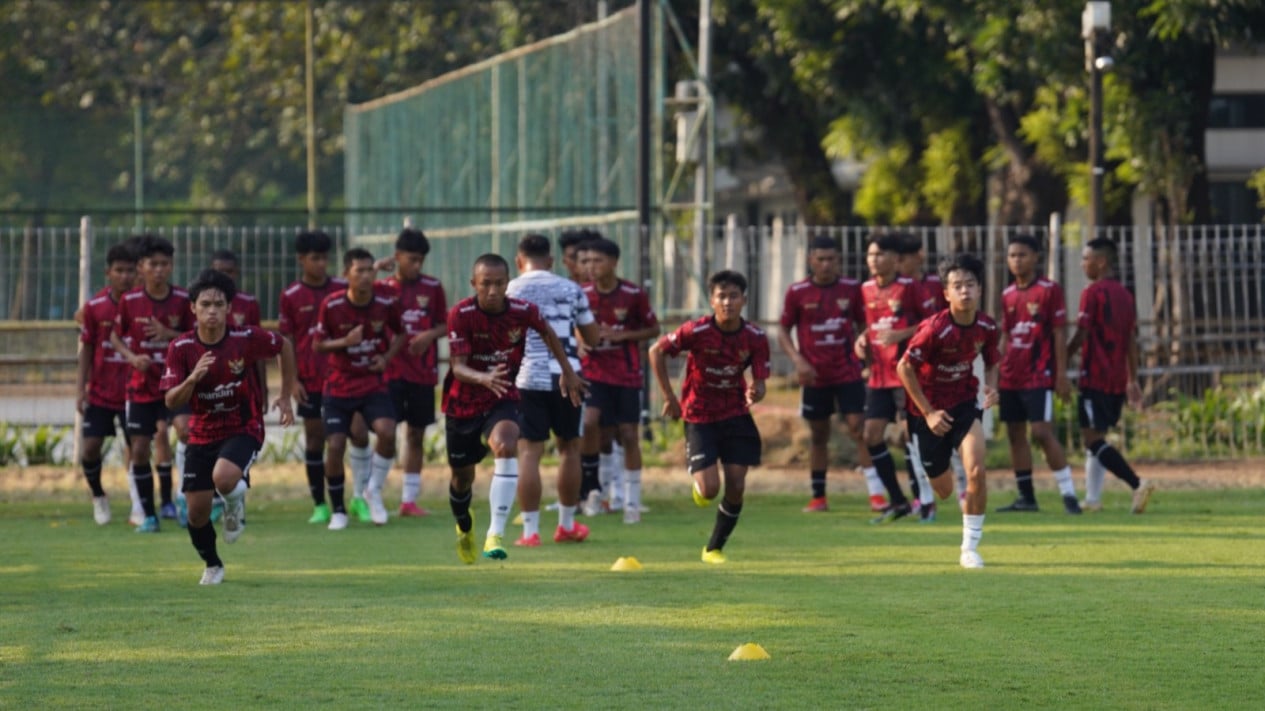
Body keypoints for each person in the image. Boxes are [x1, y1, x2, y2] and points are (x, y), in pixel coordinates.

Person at [442, 253, 584, 564]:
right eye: (486, 284)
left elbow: (548, 333)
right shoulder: (461, 314)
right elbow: (459, 367)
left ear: (508, 282)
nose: (493, 290)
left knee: (507, 446)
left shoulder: (522, 310)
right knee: (461, 480)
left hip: (502, 397)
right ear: (474, 284)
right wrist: (484, 377)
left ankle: (495, 533)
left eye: (499, 283)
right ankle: (465, 527)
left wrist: (568, 372)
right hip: (462, 405)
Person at [161, 269, 297, 585]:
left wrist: (286, 396)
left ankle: (234, 501)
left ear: (229, 308)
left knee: (223, 478)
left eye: (219, 304)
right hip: (202, 432)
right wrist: (193, 378)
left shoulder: (244, 339)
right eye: (205, 304)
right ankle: (212, 564)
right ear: (192, 308)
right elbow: (170, 400)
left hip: (242, 425)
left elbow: (284, 346)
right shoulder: (181, 348)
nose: (212, 311)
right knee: (196, 513)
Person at [649, 270, 770, 564]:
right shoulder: (697, 331)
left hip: (735, 414)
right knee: (709, 490)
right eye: (721, 296)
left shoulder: (755, 337)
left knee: (737, 485)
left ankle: (713, 548)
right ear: (712, 300)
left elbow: (761, 381)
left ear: (744, 300)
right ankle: (701, 482)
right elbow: (656, 351)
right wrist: (669, 397)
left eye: (733, 296)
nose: (727, 302)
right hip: (699, 414)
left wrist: (757, 390)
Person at [896, 253, 1001, 569]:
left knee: (977, 471)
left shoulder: (986, 326)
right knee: (943, 491)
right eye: (957, 286)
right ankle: (942, 475)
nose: (965, 291)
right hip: (927, 413)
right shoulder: (934, 329)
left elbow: (993, 360)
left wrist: (990, 386)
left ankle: (969, 548)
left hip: (965, 403)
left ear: (980, 289)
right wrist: (928, 412)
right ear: (946, 293)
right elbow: (904, 368)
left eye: (970, 284)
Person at [506, 234, 599, 546]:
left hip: (526, 376)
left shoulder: (509, 289)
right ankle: (567, 526)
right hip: (566, 375)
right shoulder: (571, 288)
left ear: (520, 261)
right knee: (569, 448)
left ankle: (530, 532)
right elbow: (593, 337)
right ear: (551, 261)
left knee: (530, 451)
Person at [777, 235, 877, 513]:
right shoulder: (797, 292)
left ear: (838, 261)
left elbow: (864, 324)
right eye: (820, 259)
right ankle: (818, 496)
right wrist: (798, 361)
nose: (826, 264)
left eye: (831, 259)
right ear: (811, 261)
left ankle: (876, 494)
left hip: (848, 371)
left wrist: (865, 353)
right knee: (819, 434)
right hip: (814, 376)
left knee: (861, 428)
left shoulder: (851, 288)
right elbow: (783, 330)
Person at [278, 231, 370, 524]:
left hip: (345, 377)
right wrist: (292, 381)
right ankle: (320, 504)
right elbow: (286, 340)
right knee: (317, 439)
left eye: (324, 258)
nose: (320, 264)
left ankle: (360, 498)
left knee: (357, 433)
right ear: (301, 260)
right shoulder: (291, 295)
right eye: (314, 259)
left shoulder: (343, 287)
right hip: (310, 379)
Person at [312, 248, 407, 530]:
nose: (366, 276)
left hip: (372, 383)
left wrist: (386, 358)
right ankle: (338, 509)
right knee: (336, 445)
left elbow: (401, 333)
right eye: (360, 271)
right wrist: (344, 342)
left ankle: (372, 491)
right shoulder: (331, 305)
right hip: (339, 386)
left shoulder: (385, 304)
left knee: (388, 432)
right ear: (346, 275)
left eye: (370, 270)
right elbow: (318, 344)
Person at [109, 235, 193, 532]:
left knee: (187, 431)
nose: (159, 269)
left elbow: (195, 339)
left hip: (175, 384)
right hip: (141, 386)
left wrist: (170, 333)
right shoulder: (130, 301)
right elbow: (114, 337)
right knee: (140, 449)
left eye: (165, 264)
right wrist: (132, 357)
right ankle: (148, 514)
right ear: (141, 267)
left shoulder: (183, 299)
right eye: (153, 264)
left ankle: (184, 498)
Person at [1067, 238, 1154, 513]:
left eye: (1086, 258)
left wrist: (1060, 361)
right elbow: (1130, 339)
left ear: (1101, 261)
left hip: (1094, 376)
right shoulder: (1126, 295)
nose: (1083, 264)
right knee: (1097, 438)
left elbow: (1081, 333)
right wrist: (1132, 378)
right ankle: (1093, 500)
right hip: (1116, 378)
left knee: (1091, 439)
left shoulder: (1092, 293)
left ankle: (1137, 483)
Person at [995, 235, 1081, 514]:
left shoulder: (1048, 290)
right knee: (1015, 434)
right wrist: (996, 371)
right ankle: (1026, 497)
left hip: (1039, 374)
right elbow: (1006, 335)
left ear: (1035, 258)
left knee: (1042, 432)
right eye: (1012, 255)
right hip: (1011, 375)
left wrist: (1061, 374)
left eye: (1022, 254)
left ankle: (1069, 495)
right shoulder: (1007, 294)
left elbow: (1058, 333)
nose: (1016, 260)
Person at [578, 237, 660, 522]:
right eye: (586, 261)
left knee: (627, 435)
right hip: (592, 371)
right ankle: (593, 490)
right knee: (590, 423)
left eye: (597, 260)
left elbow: (653, 328)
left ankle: (632, 503)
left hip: (625, 373)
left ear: (613, 262)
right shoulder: (581, 293)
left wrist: (622, 335)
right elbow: (572, 326)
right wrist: (581, 340)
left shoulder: (632, 294)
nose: (590, 266)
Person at [854, 234, 928, 523]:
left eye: (880, 254)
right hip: (878, 377)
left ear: (896, 260)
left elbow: (932, 323)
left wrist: (902, 334)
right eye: (871, 254)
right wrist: (861, 340)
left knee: (912, 437)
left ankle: (923, 498)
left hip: (905, 375)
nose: (874, 259)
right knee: (871, 436)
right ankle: (898, 501)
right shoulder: (866, 289)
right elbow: (871, 327)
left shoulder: (909, 287)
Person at [375, 228, 447, 518]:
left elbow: (445, 323)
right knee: (386, 434)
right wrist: (377, 269)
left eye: (421, 260)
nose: (417, 266)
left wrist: (429, 335)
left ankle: (408, 501)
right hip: (390, 372)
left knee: (415, 435)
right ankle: (373, 493)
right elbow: (344, 291)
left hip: (422, 372)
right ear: (397, 257)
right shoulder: (382, 288)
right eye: (412, 260)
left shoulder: (432, 287)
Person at [76, 241, 137, 524]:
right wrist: (80, 389)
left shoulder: (141, 304)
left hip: (134, 391)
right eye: (119, 270)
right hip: (100, 391)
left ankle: (141, 504)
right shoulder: (95, 307)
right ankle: (98, 495)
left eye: (130, 271)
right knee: (89, 449)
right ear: (108, 273)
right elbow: (87, 347)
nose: (125, 276)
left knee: (138, 449)